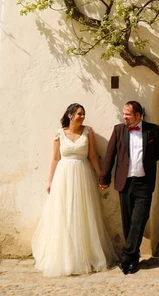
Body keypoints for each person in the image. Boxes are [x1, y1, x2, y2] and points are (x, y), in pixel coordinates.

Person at [31, 103, 115, 277]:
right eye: (79, 114)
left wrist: (101, 176)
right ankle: (66, 258)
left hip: (83, 175)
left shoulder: (88, 132)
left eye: (83, 114)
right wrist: (50, 181)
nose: (82, 117)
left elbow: (92, 156)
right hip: (64, 176)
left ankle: (85, 256)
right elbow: (55, 158)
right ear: (70, 115)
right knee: (64, 214)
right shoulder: (59, 134)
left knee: (83, 214)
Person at [99, 100, 159, 275]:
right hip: (125, 182)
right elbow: (110, 155)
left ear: (138, 115)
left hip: (144, 182)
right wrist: (104, 178)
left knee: (139, 220)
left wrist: (146, 163)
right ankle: (133, 260)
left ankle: (126, 256)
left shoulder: (152, 130)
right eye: (124, 114)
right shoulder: (118, 130)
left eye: (128, 114)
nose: (124, 117)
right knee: (128, 222)